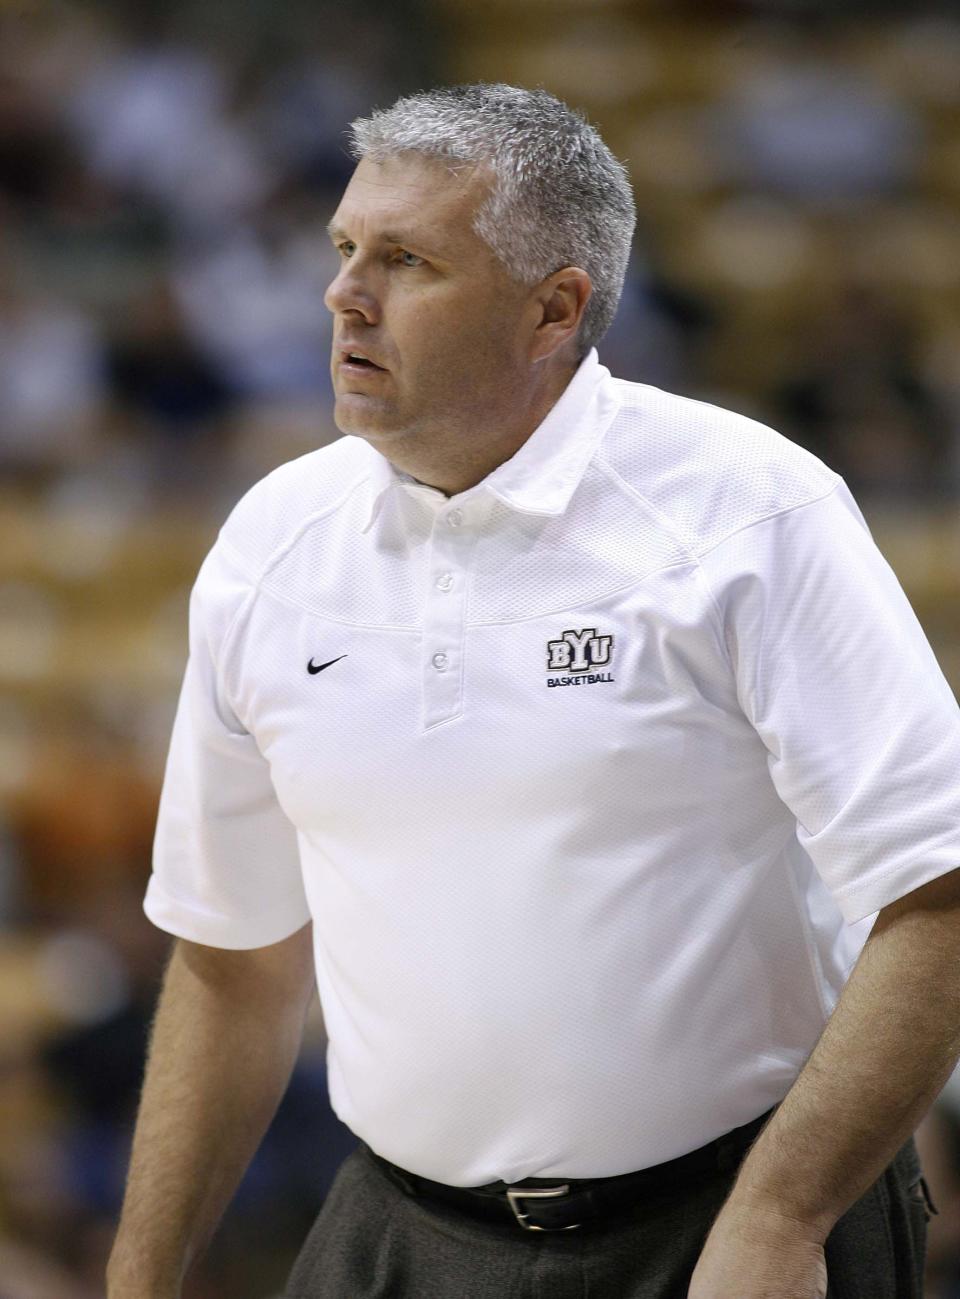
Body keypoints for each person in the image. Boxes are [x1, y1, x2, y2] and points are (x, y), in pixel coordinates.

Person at [106, 84, 960, 1299]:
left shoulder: (748, 510)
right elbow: (232, 960)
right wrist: (137, 1284)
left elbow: (939, 891)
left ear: (554, 309)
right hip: (398, 1230)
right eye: (347, 248)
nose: (345, 294)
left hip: (734, 1223)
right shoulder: (270, 546)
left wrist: (779, 1220)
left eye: (406, 261)